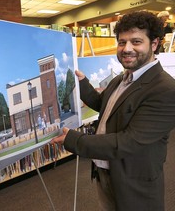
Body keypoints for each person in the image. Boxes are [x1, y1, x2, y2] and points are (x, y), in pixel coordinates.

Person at [51, 11, 175, 211]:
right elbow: (105, 105)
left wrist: (73, 140)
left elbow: (128, 142)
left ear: (154, 44)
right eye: (121, 42)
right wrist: (82, 83)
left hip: (134, 185)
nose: (126, 49)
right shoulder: (122, 78)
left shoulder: (166, 89)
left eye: (136, 42)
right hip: (105, 174)